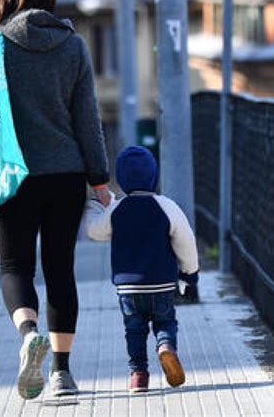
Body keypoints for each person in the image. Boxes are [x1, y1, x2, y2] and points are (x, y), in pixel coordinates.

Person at [0, 0, 111, 399]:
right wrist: (99, 178)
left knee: (14, 267)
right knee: (60, 270)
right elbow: (88, 120)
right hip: (67, 175)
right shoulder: (72, 44)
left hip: (13, 174)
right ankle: (61, 374)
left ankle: (28, 331)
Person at [86, 146, 199, 392]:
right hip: (162, 283)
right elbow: (186, 240)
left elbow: (94, 231)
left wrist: (96, 205)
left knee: (134, 330)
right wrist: (190, 273)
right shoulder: (166, 206)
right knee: (165, 321)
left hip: (128, 288)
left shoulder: (118, 209)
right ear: (154, 176)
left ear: (122, 179)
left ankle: (138, 375)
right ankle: (166, 346)